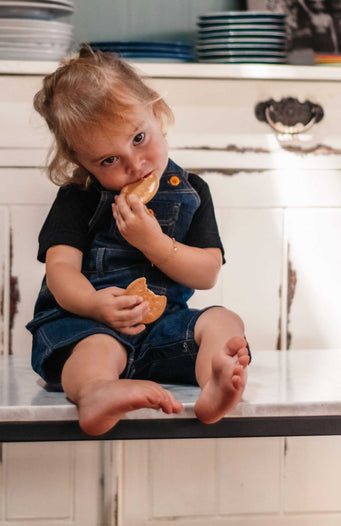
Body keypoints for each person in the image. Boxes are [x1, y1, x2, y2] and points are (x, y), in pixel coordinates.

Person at [26, 47, 250, 436]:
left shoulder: (192, 191)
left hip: (163, 331)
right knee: (100, 349)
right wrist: (94, 305)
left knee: (223, 320)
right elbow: (61, 271)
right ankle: (97, 392)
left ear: (157, 112)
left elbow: (207, 272)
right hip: (87, 326)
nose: (134, 164)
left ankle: (213, 380)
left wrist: (155, 243)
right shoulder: (79, 197)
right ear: (83, 163)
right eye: (108, 161)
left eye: (139, 138)